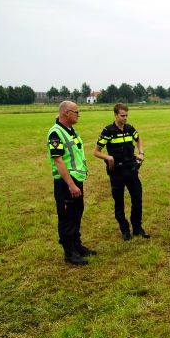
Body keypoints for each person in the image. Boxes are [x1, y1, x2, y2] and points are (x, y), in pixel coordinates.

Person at [47, 101, 95, 266]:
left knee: (76, 213)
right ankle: (69, 253)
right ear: (66, 113)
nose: (78, 114)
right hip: (66, 182)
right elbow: (58, 161)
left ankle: (76, 245)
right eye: (76, 112)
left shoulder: (71, 131)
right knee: (67, 217)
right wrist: (70, 184)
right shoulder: (55, 133)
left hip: (76, 180)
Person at [94, 103, 150, 241]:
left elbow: (138, 139)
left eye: (126, 115)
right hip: (116, 172)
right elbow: (96, 151)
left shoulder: (130, 128)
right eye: (122, 115)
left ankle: (137, 228)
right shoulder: (108, 131)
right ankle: (125, 230)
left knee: (137, 199)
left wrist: (141, 152)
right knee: (119, 203)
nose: (125, 118)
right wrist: (108, 158)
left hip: (131, 170)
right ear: (115, 115)